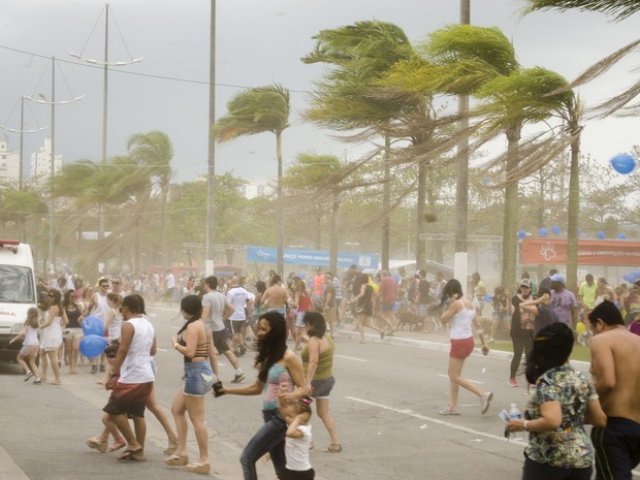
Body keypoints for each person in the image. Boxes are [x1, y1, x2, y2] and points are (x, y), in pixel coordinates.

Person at [507, 322, 606, 480]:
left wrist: (523, 424)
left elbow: (552, 420)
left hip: (549, 460)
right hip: (581, 459)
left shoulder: (549, 380)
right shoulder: (580, 378)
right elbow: (599, 418)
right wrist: (571, 418)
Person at [217, 311, 309, 480]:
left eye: (264, 329)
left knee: (247, 458)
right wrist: (228, 389)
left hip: (280, 418)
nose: (258, 332)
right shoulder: (269, 356)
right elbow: (257, 388)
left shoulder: (289, 357)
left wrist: (288, 396)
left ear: (275, 332)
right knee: (282, 470)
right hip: (269, 416)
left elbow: (304, 388)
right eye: (259, 328)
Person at [588, 300, 640, 480]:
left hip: (613, 425)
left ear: (600, 323)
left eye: (593, 328)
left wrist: (585, 402)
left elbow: (608, 382)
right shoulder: (638, 341)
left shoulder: (601, 340)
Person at [102, 294, 156, 462]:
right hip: (147, 375)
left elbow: (122, 350)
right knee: (138, 414)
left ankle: (133, 444)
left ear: (126, 308)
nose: (121, 312)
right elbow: (153, 351)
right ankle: (140, 452)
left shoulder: (128, 325)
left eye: (122, 309)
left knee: (113, 411)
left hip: (131, 376)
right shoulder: (148, 324)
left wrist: (112, 374)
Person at [165, 295, 215, 475]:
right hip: (197, 371)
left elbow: (191, 351)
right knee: (177, 409)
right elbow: (212, 353)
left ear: (185, 309)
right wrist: (215, 376)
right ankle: (182, 451)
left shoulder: (194, 326)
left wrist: (176, 344)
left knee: (197, 419)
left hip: (195, 372)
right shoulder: (200, 324)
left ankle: (204, 460)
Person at [438, 279, 492, 416]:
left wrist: (449, 305)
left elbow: (443, 319)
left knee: (453, 375)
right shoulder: (470, 304)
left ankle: (482, 395)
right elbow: (478, 326)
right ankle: (452, 407)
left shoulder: (456, 304)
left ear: (451, 292)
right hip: (469, 341)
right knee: (455, 375)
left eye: (448, 294)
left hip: (459, 342)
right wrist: (484, 344)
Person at [301, 312, 340, 453]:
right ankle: (335, 443)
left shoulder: (314, 341)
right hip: (327, 380)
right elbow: (319, 350)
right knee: (324, 413)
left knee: (300, 409)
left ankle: (308, 441)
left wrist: (307, 383)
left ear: (312, 325)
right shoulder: (327, 338)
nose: (305, 326)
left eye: (307, 324)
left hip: (315, 383)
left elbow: (313, 361)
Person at [201, 275, 245, 383]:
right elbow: (231, 309)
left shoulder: (207, 297)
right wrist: (223, 318)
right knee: (226, 350)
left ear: (207, 284)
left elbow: (205, 314)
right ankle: (239, 371)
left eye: (204, 283)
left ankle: (210, 376)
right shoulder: (221, 296)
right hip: (220, 327)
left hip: (210, 328)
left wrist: (201, 325)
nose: (203, 285)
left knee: (206, 353)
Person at [86, 341, 127, 454]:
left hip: (124, 397)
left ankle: (118, 440)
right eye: (108, 357)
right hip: (118, 396)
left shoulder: (121, 368)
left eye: (113, 357)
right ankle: (103, 439)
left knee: (106, 418)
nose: (110, 359)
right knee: (110, 418)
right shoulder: (114, 368)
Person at [279, 395, 315, 480]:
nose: (286, 418)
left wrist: (298, 418)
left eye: (290, 416)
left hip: (303, 473)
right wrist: (281, 397)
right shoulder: (292, 425)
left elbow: (289, 433)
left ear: (303, 419)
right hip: (289, 470)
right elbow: (282, 409)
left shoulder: (304, 430)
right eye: (287, 415)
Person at [508, 279, 533, 387]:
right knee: (518, 353)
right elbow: (510, 311)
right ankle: (512, 378)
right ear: (520, 288)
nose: (525, 289)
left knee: (529, 354)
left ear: (530, 289)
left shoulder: (534, 299)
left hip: (529, 331)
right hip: (517, 331)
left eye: (527, 287)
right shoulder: (515, 299)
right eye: (523, 287)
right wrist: (509, 299)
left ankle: (530, 379)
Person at [39, 289, 66, 385]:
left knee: (52, 356)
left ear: (56, 297)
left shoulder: (53, 307)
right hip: (54, 331)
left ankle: (58, 378)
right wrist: (58, 323)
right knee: (42, 352)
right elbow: (66, 321)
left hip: (51, 332)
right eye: (49, 295)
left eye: (52, 296)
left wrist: (39, 326)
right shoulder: (59, 306)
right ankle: (44, 375)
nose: (49, 297)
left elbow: (49, 322)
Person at [9, 307, 42, 384]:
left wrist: (13, 340)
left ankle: (28, 372)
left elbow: (22, 333)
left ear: (28, 314)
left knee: (19, 358)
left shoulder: (27, 323)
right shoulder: (37, 323)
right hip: (36, 344)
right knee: (32, 362)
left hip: (28, 344)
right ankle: (38, 378)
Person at [350, 272, 385, 343]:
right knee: (369, 324)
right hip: (369, 304)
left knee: (360, 323)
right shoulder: (371, 287)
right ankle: (380, 331)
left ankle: (363, 339)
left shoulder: (363, 285)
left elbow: (362, 294)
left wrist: (354, 299)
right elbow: (375, 295)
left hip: (363, 304)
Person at [226, 277, 255, 356]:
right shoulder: (244, 291)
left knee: (235, 333)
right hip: (242, 315)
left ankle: (236, 349)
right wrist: (249, 313)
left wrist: (225, 315)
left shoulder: (231, 292)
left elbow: (228, 305)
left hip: (233, 316)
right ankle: (241, 346)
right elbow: (250, 301)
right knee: (239, 332)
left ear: (232, 282)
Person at [63, 289, 83, 374]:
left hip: (78, 329)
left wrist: (82, 317)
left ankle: (74, 366)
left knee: (76, 347)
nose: (73, 297)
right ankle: (71, 366)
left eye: (75, 296)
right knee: (69, 349)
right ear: (67, 297)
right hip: (68, 329)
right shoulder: (64, 307)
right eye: (72, 296)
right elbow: (63, 318)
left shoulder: (78, 306)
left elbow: (83, 314)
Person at [292, 277, 312, 351]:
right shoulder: (307, 293)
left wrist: (290, 302)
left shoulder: (298, 293)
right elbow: (311, 303)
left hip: (301, 313)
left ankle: (311, 343)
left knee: (300, 333)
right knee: (302, 332)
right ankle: (295, 348)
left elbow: (296, 304)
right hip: (308, 312)